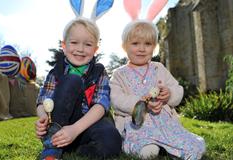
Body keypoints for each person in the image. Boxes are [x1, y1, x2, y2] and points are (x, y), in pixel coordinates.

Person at [109, 20, 206, 160]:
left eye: (147, 44)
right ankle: (151, 145)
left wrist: (169, 94)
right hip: (137, 125)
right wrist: (141, 102)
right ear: (124, 46)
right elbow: (116, 99)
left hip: (165, 123)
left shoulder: (158, 68)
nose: (142, 49)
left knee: (195, 147)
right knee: (147, 151)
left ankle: (173, 146)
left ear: (154, 47)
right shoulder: (119, 74)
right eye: (135, 43)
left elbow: (176, 88)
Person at [35, 18, 122, 160]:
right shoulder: (56, 72)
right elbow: (43, 101)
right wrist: (43, 118)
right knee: (72, 80)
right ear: (64, 45)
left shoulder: (99, 72)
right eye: (74, 42)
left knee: (112, 141)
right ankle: (52, 147)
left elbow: (101, 106)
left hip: (88, 124)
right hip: (60, 124)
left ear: (95, 49)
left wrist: (75, 130)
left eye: (88, 44)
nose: (80, 49)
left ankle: (76, 148)